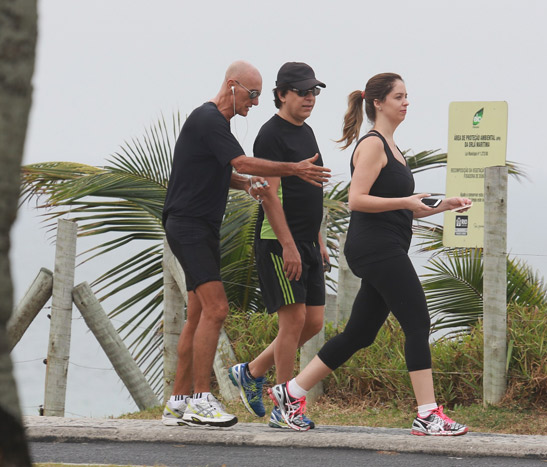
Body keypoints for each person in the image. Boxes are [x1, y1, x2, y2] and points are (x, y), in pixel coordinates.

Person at [268, 73, 471, 436]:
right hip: (375, 247)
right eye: (399, 97)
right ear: (378, 103)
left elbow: (406, 207)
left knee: (359, 333)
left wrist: (444, 204)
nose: (406, 102)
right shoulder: (373, 144)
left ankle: (290, 392)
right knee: (418, 323)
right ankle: (427, 413)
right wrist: (406, 201)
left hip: (384, 246)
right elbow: (356, 200)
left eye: (407, 96)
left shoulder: (393, 148)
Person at [160, 60, 330, 428]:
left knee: (197, 315)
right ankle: (201, 400)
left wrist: (245, 185)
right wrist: (294, 169)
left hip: (200, 226)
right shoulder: (208, 119)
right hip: (188, 226)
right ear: (232, 85)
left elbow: (226, 172)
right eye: (252, 94)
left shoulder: (217, 125)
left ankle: (178, 402)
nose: (254, 102)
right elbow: (241, 160)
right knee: (217, 309)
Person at [227, 62, 328, 430]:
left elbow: (311, 188)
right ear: (282, 93)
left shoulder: (309, 132)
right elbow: (269, 195)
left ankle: (251, 371)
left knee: (313, 322)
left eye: (314, 91)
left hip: (307, 241)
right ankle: (285, 407)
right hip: (277, 241)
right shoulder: (270, 135)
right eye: (302, 91)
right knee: (293, 320)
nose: (309, 98)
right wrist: (289, 246)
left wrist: (317, 240)